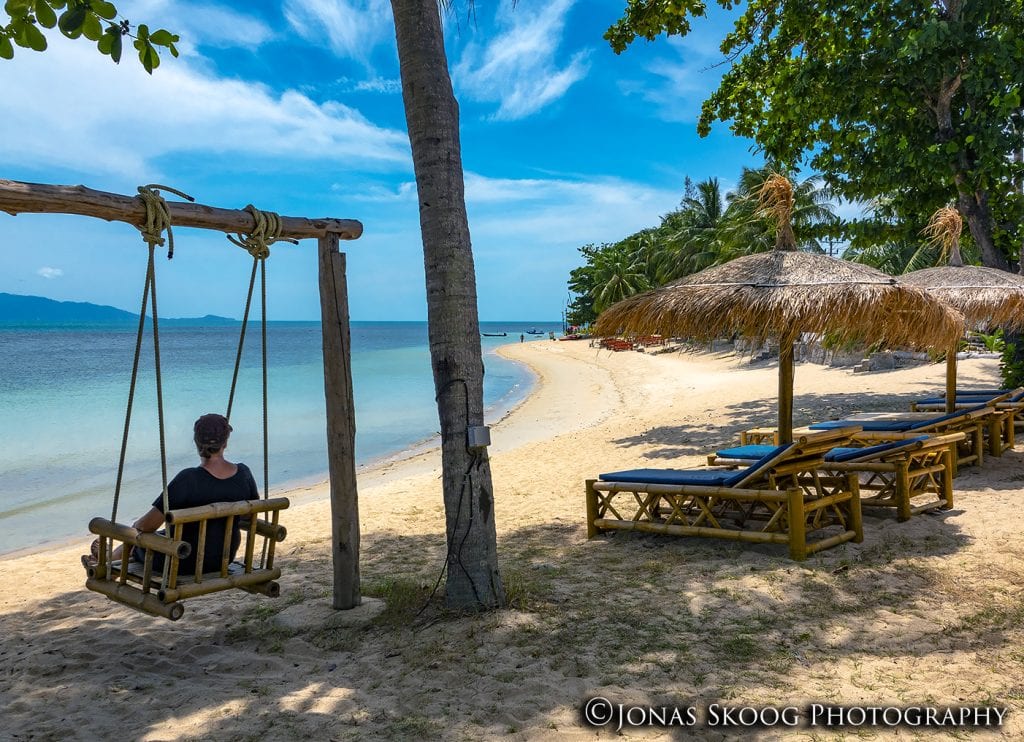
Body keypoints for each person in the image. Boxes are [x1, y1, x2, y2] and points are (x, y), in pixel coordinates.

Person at [89, 413, 259, 575]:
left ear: (196, 443)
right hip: (221, 560)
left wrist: (136, 525)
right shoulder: (243, 473)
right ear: (225, 443)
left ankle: (107, 562)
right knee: (159, 537)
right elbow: (248, 518)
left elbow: (147, 526)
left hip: (181, 559)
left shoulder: (188, 479)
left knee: (140, 536)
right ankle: (107, 560)